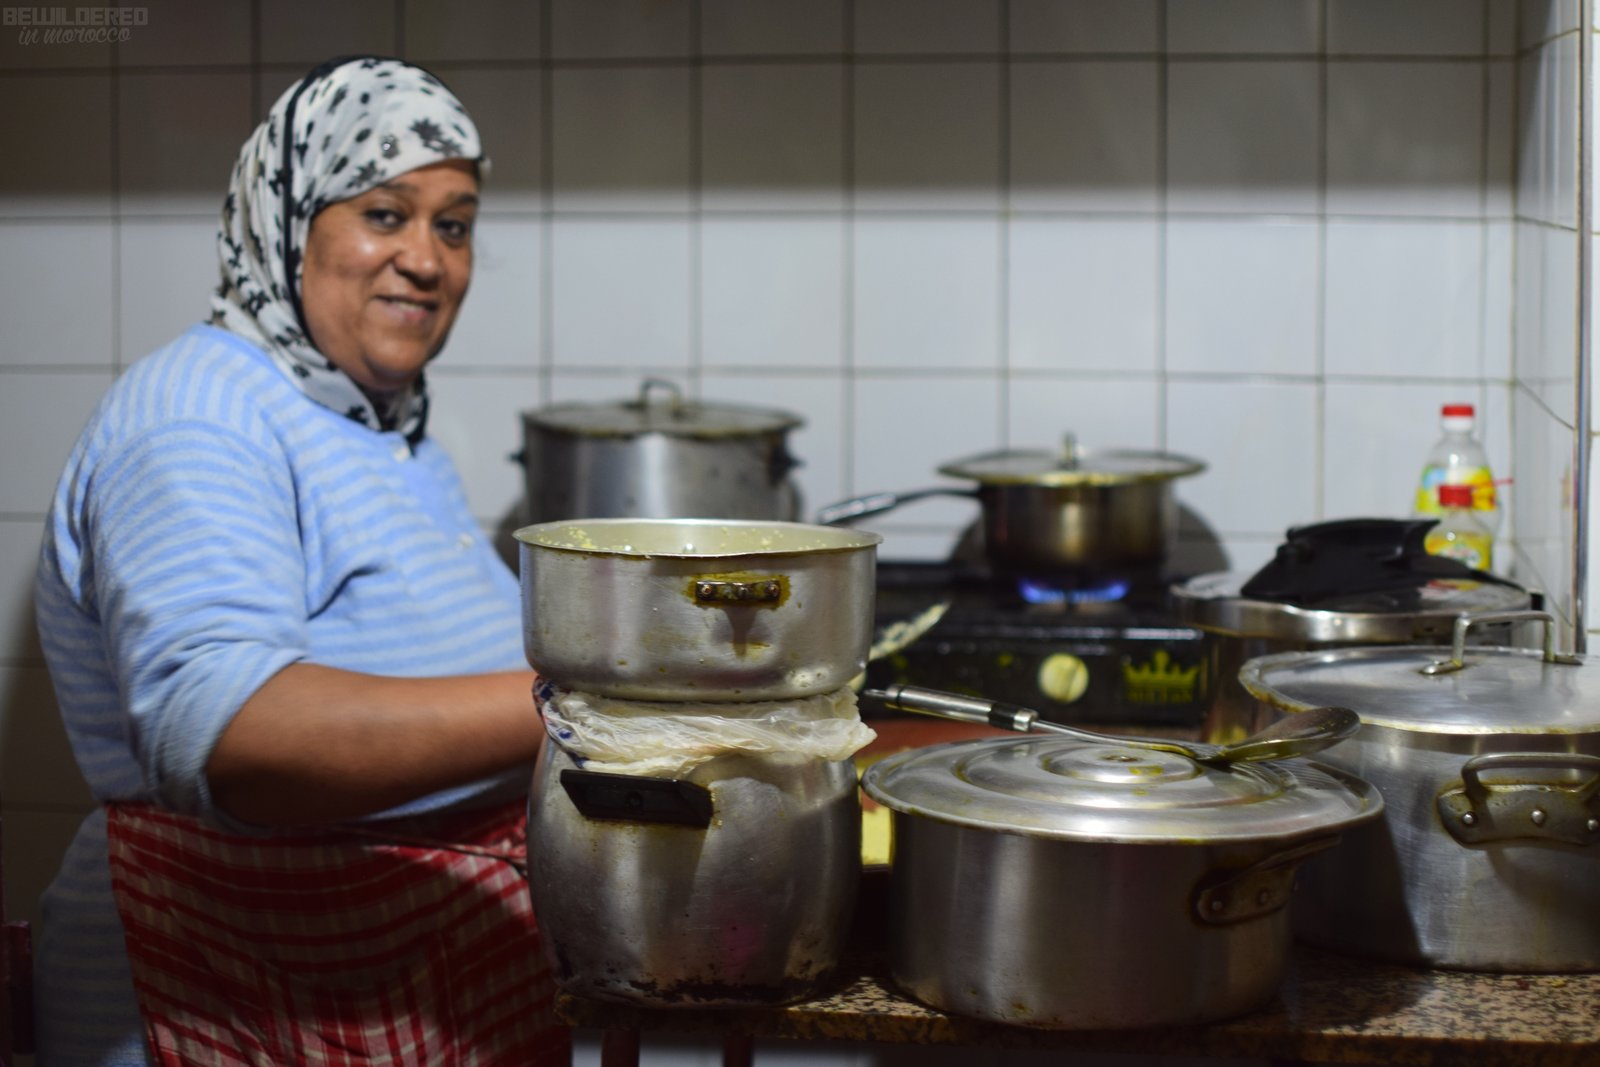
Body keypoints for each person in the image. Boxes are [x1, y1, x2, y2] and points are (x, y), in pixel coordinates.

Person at [32, 56, 567, 1066]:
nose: (426, 258)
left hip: (384, 961)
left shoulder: (375, 424)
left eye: (452, 224)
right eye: (384, 212)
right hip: (231, 981)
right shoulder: (198, 416)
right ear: (288, 218)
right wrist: (584, 701)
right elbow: (237, 734)